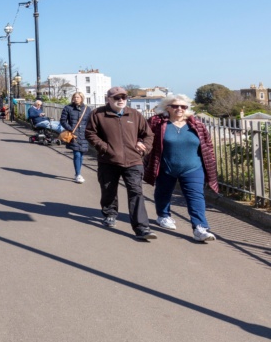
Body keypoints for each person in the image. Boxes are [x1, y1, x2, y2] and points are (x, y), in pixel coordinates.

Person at [144, 94, 219, 242]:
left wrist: (210, 163)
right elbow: (145, 137)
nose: (179, 109)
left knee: (196, 196)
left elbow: (208, 145)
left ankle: (200, 228)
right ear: (167, 107)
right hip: (166, 166)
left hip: (193, 167)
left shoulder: (196, 125)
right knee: (163, 192)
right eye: (175, 106)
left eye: (183, 106)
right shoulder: (158, 123)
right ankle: (163, 216)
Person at [84, 86, 156, 240]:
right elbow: (90, 133)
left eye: (123, 97)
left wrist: (143, 149)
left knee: (136, 192)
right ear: (108, 99)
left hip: (133, 160)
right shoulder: (98, 114)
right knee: (108, 189)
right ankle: (110, 213)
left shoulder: (135, 114)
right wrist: (105, 148)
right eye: (117, 97)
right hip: (108, 160)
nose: (121, 100)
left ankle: (142, 227)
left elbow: (148, 135)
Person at [59, 92, 91, 183]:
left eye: (78, 97)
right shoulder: (68, 108)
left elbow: (90, 121)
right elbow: (63, 121)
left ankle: (78, 173)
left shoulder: (87, 109)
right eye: (74, 97)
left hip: (84, 134)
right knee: (76, 154)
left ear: (82, 98)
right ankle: (78, 174)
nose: (76, 99)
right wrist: (71, 129)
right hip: (73, 134)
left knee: (81, 154)